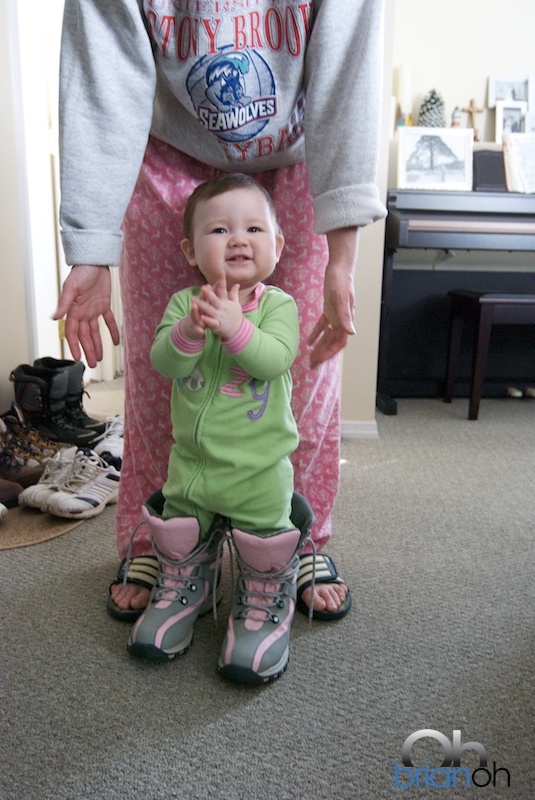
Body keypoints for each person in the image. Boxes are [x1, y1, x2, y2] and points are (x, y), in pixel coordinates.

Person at [54, 0, 386, 621]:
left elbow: (349, 71)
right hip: (164, 156)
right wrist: (92, 249)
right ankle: (161, 536)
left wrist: (342, 254)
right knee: (164, 379)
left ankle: (301, 537)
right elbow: (102, 73)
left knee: (304, 378)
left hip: (295, 161)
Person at [128, 172, 312, 684]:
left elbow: (273, 360)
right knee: (181, 524)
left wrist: (235, 328)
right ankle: (187, 581)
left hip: (258, 469)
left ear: (277, 245)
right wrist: (189, 331)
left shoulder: (279, 306)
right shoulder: (185, 305)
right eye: (219, 231)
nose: (237, 239)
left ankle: (262, 594)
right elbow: (165, 362)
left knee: (264, 537)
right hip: (191, 463)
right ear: (190, 251)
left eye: (254, 229)